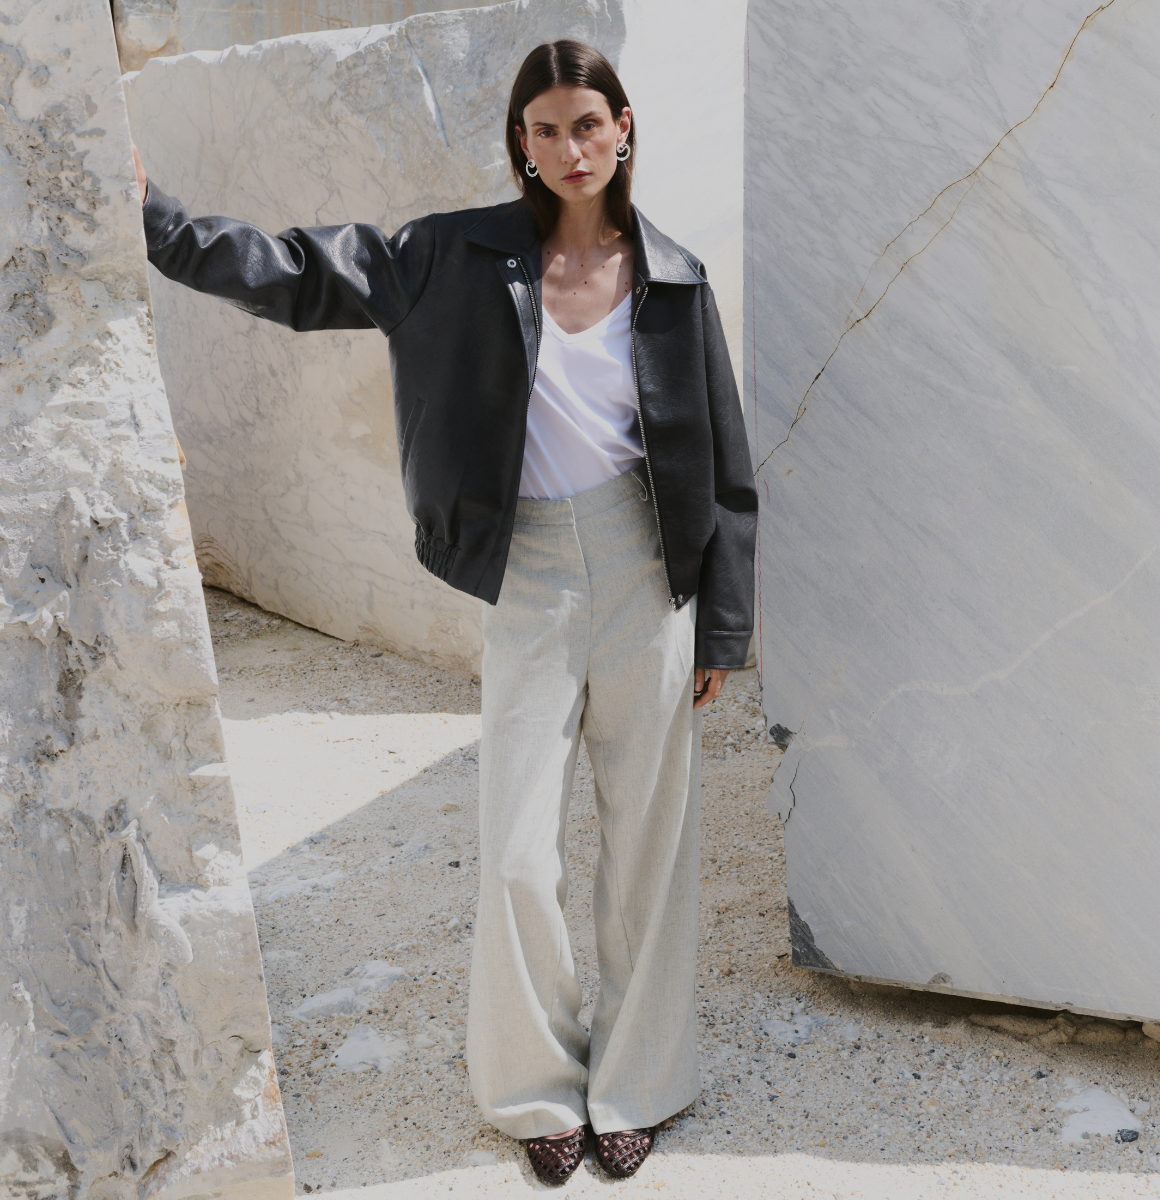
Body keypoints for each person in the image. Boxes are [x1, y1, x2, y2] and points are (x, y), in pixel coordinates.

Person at [133, 39, 755, 1185]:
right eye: (546, 128)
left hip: (647, 568)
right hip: (533, 570)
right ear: (521, 142)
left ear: (624, 128)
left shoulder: (674, 276)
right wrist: (159, 223)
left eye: (588, 124)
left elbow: (724, 464)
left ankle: (638, 1083)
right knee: (516, 850)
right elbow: (302, 274)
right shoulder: (452, 255)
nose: (570, 148)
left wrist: (721, 626)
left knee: (650, 851)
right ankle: (534, 1089)